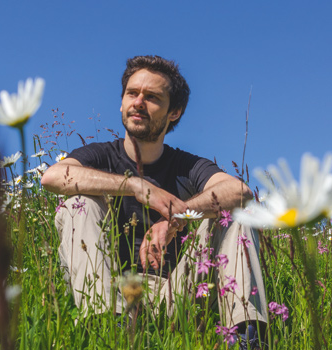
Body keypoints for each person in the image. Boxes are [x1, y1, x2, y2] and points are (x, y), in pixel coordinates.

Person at [41, 55, 267, 348]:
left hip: (177, 293)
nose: (138, 102)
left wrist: (180, 217)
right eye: (132, 93)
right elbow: (53, 177)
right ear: (121, 102)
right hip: (111, 292)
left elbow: (239, 190)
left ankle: (245, 338)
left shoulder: (186, 165)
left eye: (152, 97)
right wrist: (135, 185)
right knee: (76, 205)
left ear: (174, 112)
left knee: (237, 213)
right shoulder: (99, 156)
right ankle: (105, 331)